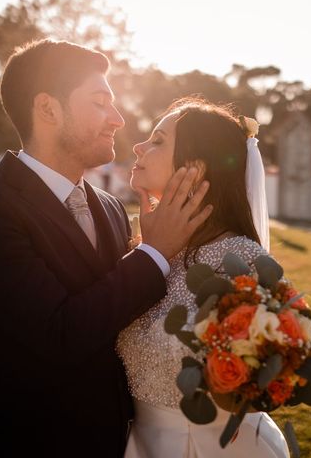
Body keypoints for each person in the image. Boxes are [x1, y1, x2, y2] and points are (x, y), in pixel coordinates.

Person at [0, 40, 212, 458]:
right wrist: (154, 254)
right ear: (48, 109)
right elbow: (56, 335)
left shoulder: (110, 206)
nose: (118, 119)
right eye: (101, 102)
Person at [116, 97, 290, 457]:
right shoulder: (145, 252)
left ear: (193, 169)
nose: (138, 146)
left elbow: (259, 384)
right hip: (140, 446)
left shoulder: (243, 262)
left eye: (158, 141)